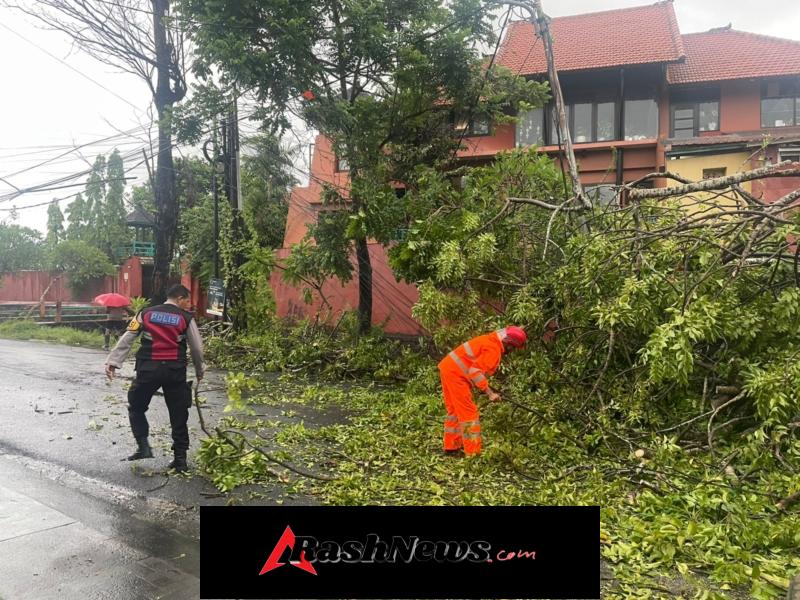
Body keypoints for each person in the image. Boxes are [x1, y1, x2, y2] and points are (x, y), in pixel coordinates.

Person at [105, 284, 205, 473]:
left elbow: (128, 337)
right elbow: (197, 348)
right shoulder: (186, 318)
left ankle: (143, 446)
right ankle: (180, 460)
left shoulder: (145, 313)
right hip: (175, 371)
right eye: (187, 301)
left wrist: (113, 362)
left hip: (148, 370)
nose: (188, 305)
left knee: (136, 406)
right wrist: (200, 370)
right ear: (180, 298)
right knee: (178, 413)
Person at [438, 326, 527, 456]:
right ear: (508, 343)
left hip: (448, 367)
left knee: (454, 410)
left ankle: (451, 446)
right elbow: (475, 372)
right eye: (513, 348)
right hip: (457, 375)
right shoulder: (494, 350)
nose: (512, 351)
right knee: (469, 414)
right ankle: (473, 453)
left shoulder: (490, 339)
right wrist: (490, 393)